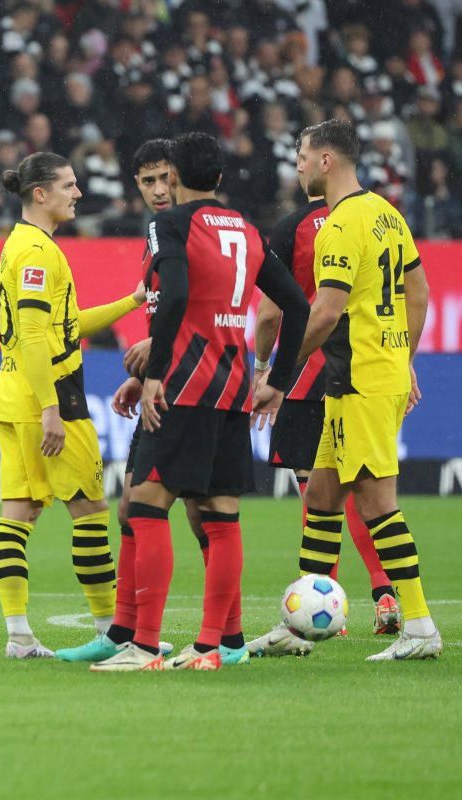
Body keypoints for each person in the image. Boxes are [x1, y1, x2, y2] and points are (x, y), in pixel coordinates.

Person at [91, 132, 310, 672]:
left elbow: (180, 296)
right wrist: (279, 381)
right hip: (234, 391)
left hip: (186, 387)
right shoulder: (248, 230)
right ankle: (215, 646)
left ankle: (143, 647)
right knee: (221, 515)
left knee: (143, 505)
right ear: (218, 177)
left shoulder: (171, 225)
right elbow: (297, 307)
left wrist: (158, 373)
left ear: (178, 177)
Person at [251, 119, 443, 661]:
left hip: (359, 379)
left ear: (327, 161)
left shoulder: (339, 225)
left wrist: (278, 378)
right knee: (321, 496)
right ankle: (298, 627)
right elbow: (420, 294)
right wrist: (401, 361)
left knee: (378, 503)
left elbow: (326, 313)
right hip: (366, 375)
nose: (298, 165)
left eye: (302, 156)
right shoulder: (387, 214)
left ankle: (421, 627)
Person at [57, 138, 217, 663]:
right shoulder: (156, 236)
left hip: (194, 387)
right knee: (135, 508)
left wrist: (159, 350)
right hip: (167, 384)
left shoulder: (188, 227)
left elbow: (211, 302)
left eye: (163, 178)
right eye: (146, 181)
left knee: (198, 514)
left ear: (181, 176)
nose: (156, 190)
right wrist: (149, 367)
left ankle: (206, 639)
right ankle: (124, 633)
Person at [0, 151, 146, 659]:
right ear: (41, 193)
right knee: (91, 512)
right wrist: (53, 409)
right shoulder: (38, 253)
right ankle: (109, 631)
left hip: (12, 396)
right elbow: (36, 336)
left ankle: (18, 635)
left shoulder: (23, 245)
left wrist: (131, 301)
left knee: (19, 512)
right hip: (50, 398)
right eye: (69, 185)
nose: (78, 193)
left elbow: (65, 323)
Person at [246, 183, 401, 659]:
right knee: (357, 490)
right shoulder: (374, 218)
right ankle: (384, 592)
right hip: (361, 365)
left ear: (315, 166)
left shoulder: (294, 227)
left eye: (301, 157)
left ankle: (322, 606)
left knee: (316, 495)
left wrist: (264, 368)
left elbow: (272, 311)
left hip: (306, 370)